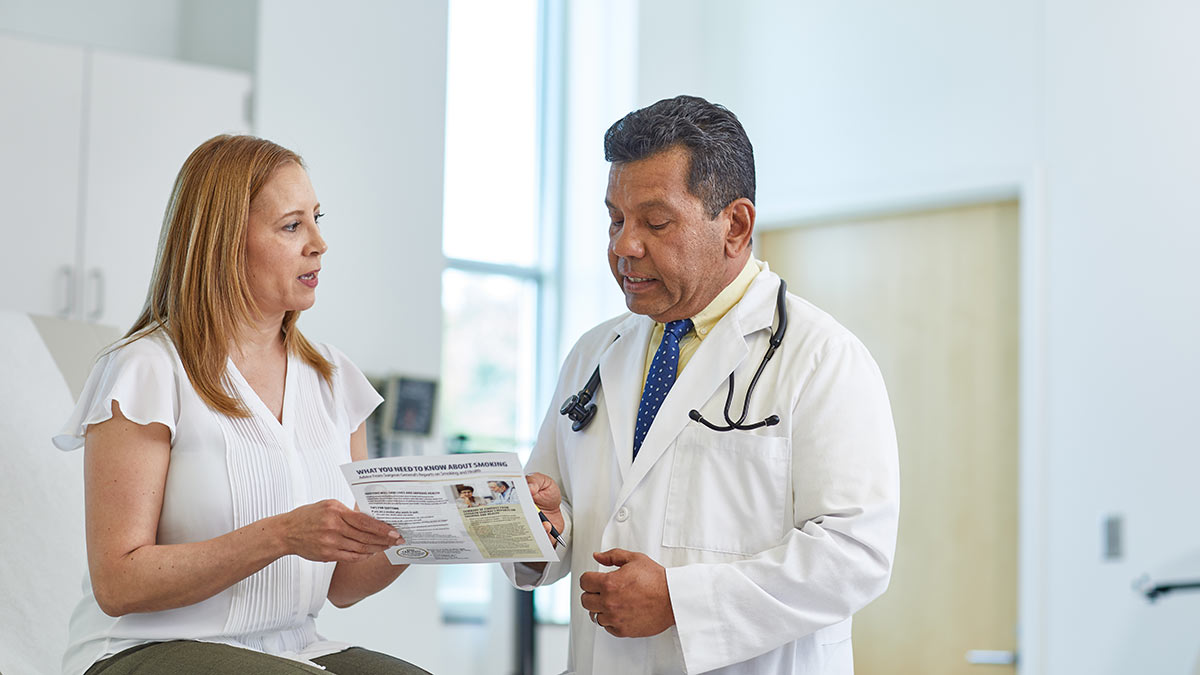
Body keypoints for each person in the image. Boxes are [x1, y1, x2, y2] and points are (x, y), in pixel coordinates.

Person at [503, 95, 900, 674]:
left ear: (734, 226)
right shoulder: (595, 352)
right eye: (615, 219)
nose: (623, 246)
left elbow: (854, 555)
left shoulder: (822, 358)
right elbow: (556, 506)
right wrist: (545, 525)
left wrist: (679, 602)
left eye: (654, 223)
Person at [52, 135, 431, 675]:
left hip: (294, 648)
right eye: (292, 225)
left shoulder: (333, 378)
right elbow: (119, 582)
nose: (319, 243)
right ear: (224, 241)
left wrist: (426, 534)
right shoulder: (148, 369)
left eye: (318, 218)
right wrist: (281, 535)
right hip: (140, 649)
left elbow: (344, 585)